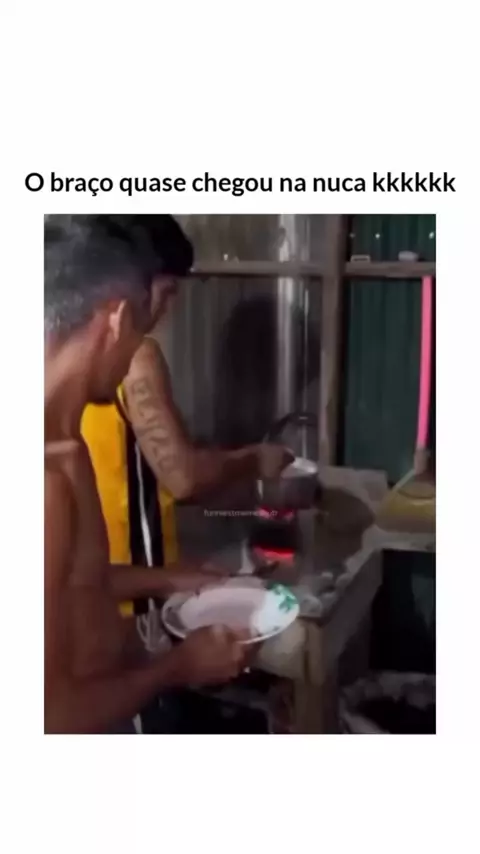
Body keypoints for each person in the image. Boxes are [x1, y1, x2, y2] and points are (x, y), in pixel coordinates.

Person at [44, 215, 251, 734]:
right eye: (142, 325)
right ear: (117, 319)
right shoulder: (44, 479)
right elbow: (45, 717)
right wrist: (179, 667)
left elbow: (80, 581)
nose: (143, 344)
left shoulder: (68, 444)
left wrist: (174, 578)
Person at [80, 215, 291, 620]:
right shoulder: (136, 356)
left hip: (82, 589)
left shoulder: (58, 348)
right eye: (167, 291)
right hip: (134, 602)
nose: (168, 308)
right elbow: (184, 479)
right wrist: (254, 459)